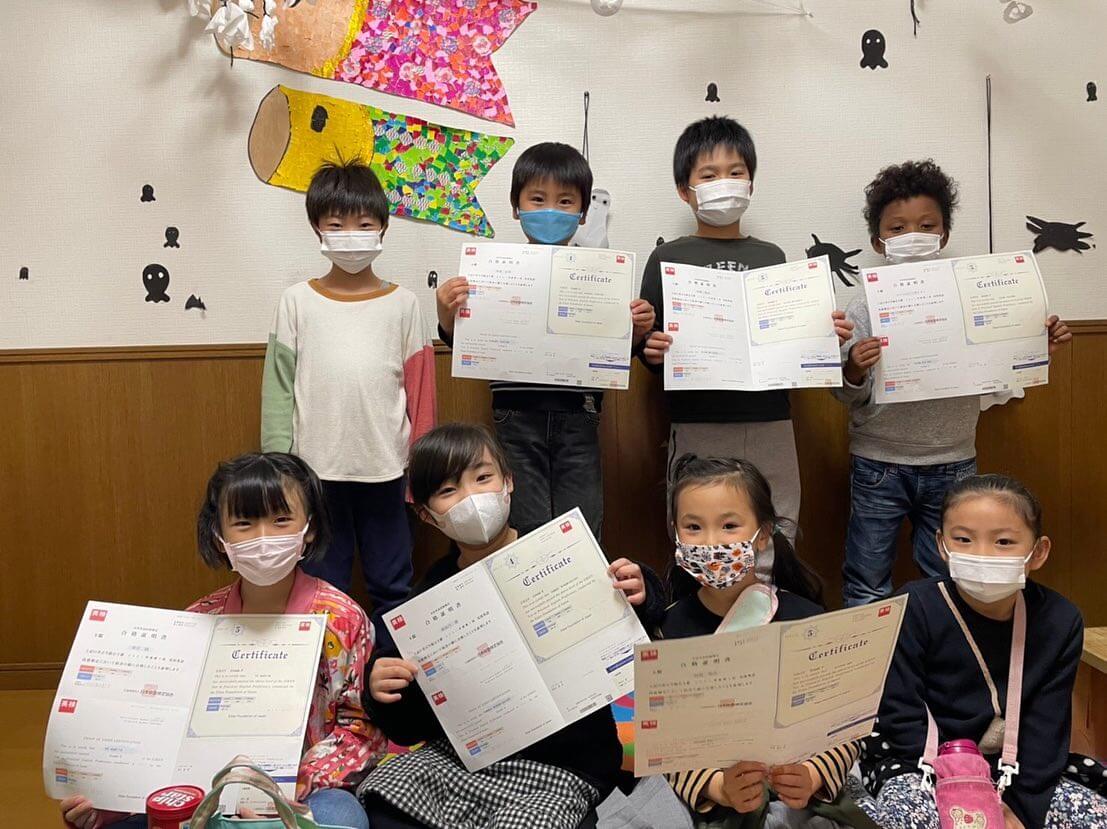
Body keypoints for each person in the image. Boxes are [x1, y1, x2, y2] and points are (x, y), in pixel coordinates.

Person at [359, 423, 666, 829]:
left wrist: (641, 590)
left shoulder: (560, 549)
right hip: (466, 761)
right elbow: (411, 727)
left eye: (482, 478)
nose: (471, 498)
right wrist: (382, 691)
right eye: (448, 490)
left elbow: (635, 629)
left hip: (565, 764)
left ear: (508, 482)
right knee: (385, 795)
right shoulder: (426, 602)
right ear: (426, 515)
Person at [59, 453, 383, 829]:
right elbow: (161, 728)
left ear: (309, 527)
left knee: (342, 816)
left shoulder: (342, 619)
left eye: (281, 520)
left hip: (304, 791)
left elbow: (362, 729)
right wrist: (107, 801)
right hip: (207, 789)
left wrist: (290, 785)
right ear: (219, 536)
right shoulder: (199, 619)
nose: (263, 538)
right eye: (244, 523)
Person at [834, 160, 1072, 607]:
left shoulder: (973, 294)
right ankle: (868, 655)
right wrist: (854, 369)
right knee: (866, 578)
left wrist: (1037, 346)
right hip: (879, 461)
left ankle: (946, 648)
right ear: (878, 241)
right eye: (898, 227)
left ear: (943, 235)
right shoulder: (862, 303)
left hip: (954, 459)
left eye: (927, 225)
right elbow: (844, 393)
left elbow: (1001, 365)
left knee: (949, 577)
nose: (913, 234)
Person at [638, 116, 853, 557]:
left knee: (779, 529)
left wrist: (820, 337)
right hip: (697, 420)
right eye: (709, 175)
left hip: (770, 417)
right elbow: (648, 347)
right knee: (700, 538)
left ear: (751, 183)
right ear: (684, 190)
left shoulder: (771, 256)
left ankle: (771, 599)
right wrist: (649, 349)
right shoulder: (666, 257)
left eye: (735, 172)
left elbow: (786, 338)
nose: (725, 182)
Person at [857, 474, 1107, 827]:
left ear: (1038, 552)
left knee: (1091, 816)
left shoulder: (1060, 620)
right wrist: (961, 790)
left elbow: (1046, 729)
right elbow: (900, 713)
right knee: (908, 816)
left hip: (1015, 770)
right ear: (941, 545)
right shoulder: (912, 606)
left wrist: (1019, 811)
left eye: (1004, 542)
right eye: (963, 539)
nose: (982, 555)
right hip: (920, 763)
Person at [434, 142, 656, 540]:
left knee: (583, 524)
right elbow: (463, 340)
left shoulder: (602, 275)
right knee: (525, 525)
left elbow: (613, 352)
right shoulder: (495, 272)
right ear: (516, 207)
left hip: (580, 414)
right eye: (537, 199)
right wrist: (446, 312)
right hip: (515, 414)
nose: (550, 210)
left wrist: (637, 331)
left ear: (583, 212)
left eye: (565, 201)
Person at [261, 160, 435, 637]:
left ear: (383, 228)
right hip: (315, 475)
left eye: (363, 224)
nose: (350, 235)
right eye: (336, 225)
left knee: (393, 588)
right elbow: (278, 391)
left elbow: (421, 396)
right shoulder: (296, 301)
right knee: (322, 589)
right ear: (317, 228)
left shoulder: (404, 304)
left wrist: (420, 475)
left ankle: (390, 674)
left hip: (389, 471)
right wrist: (280, 471)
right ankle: (330, 678)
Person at [659, 454, 871, 828]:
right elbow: (656, 738)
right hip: (715, 801)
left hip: (802, 793)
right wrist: (716, 787)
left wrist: (813, 775)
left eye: (729, 526)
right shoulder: (667, 628)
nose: (711, 543)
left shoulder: (807, 620)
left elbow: (846, 727)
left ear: (763, 534)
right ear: (676, 533)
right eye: (693, 527)